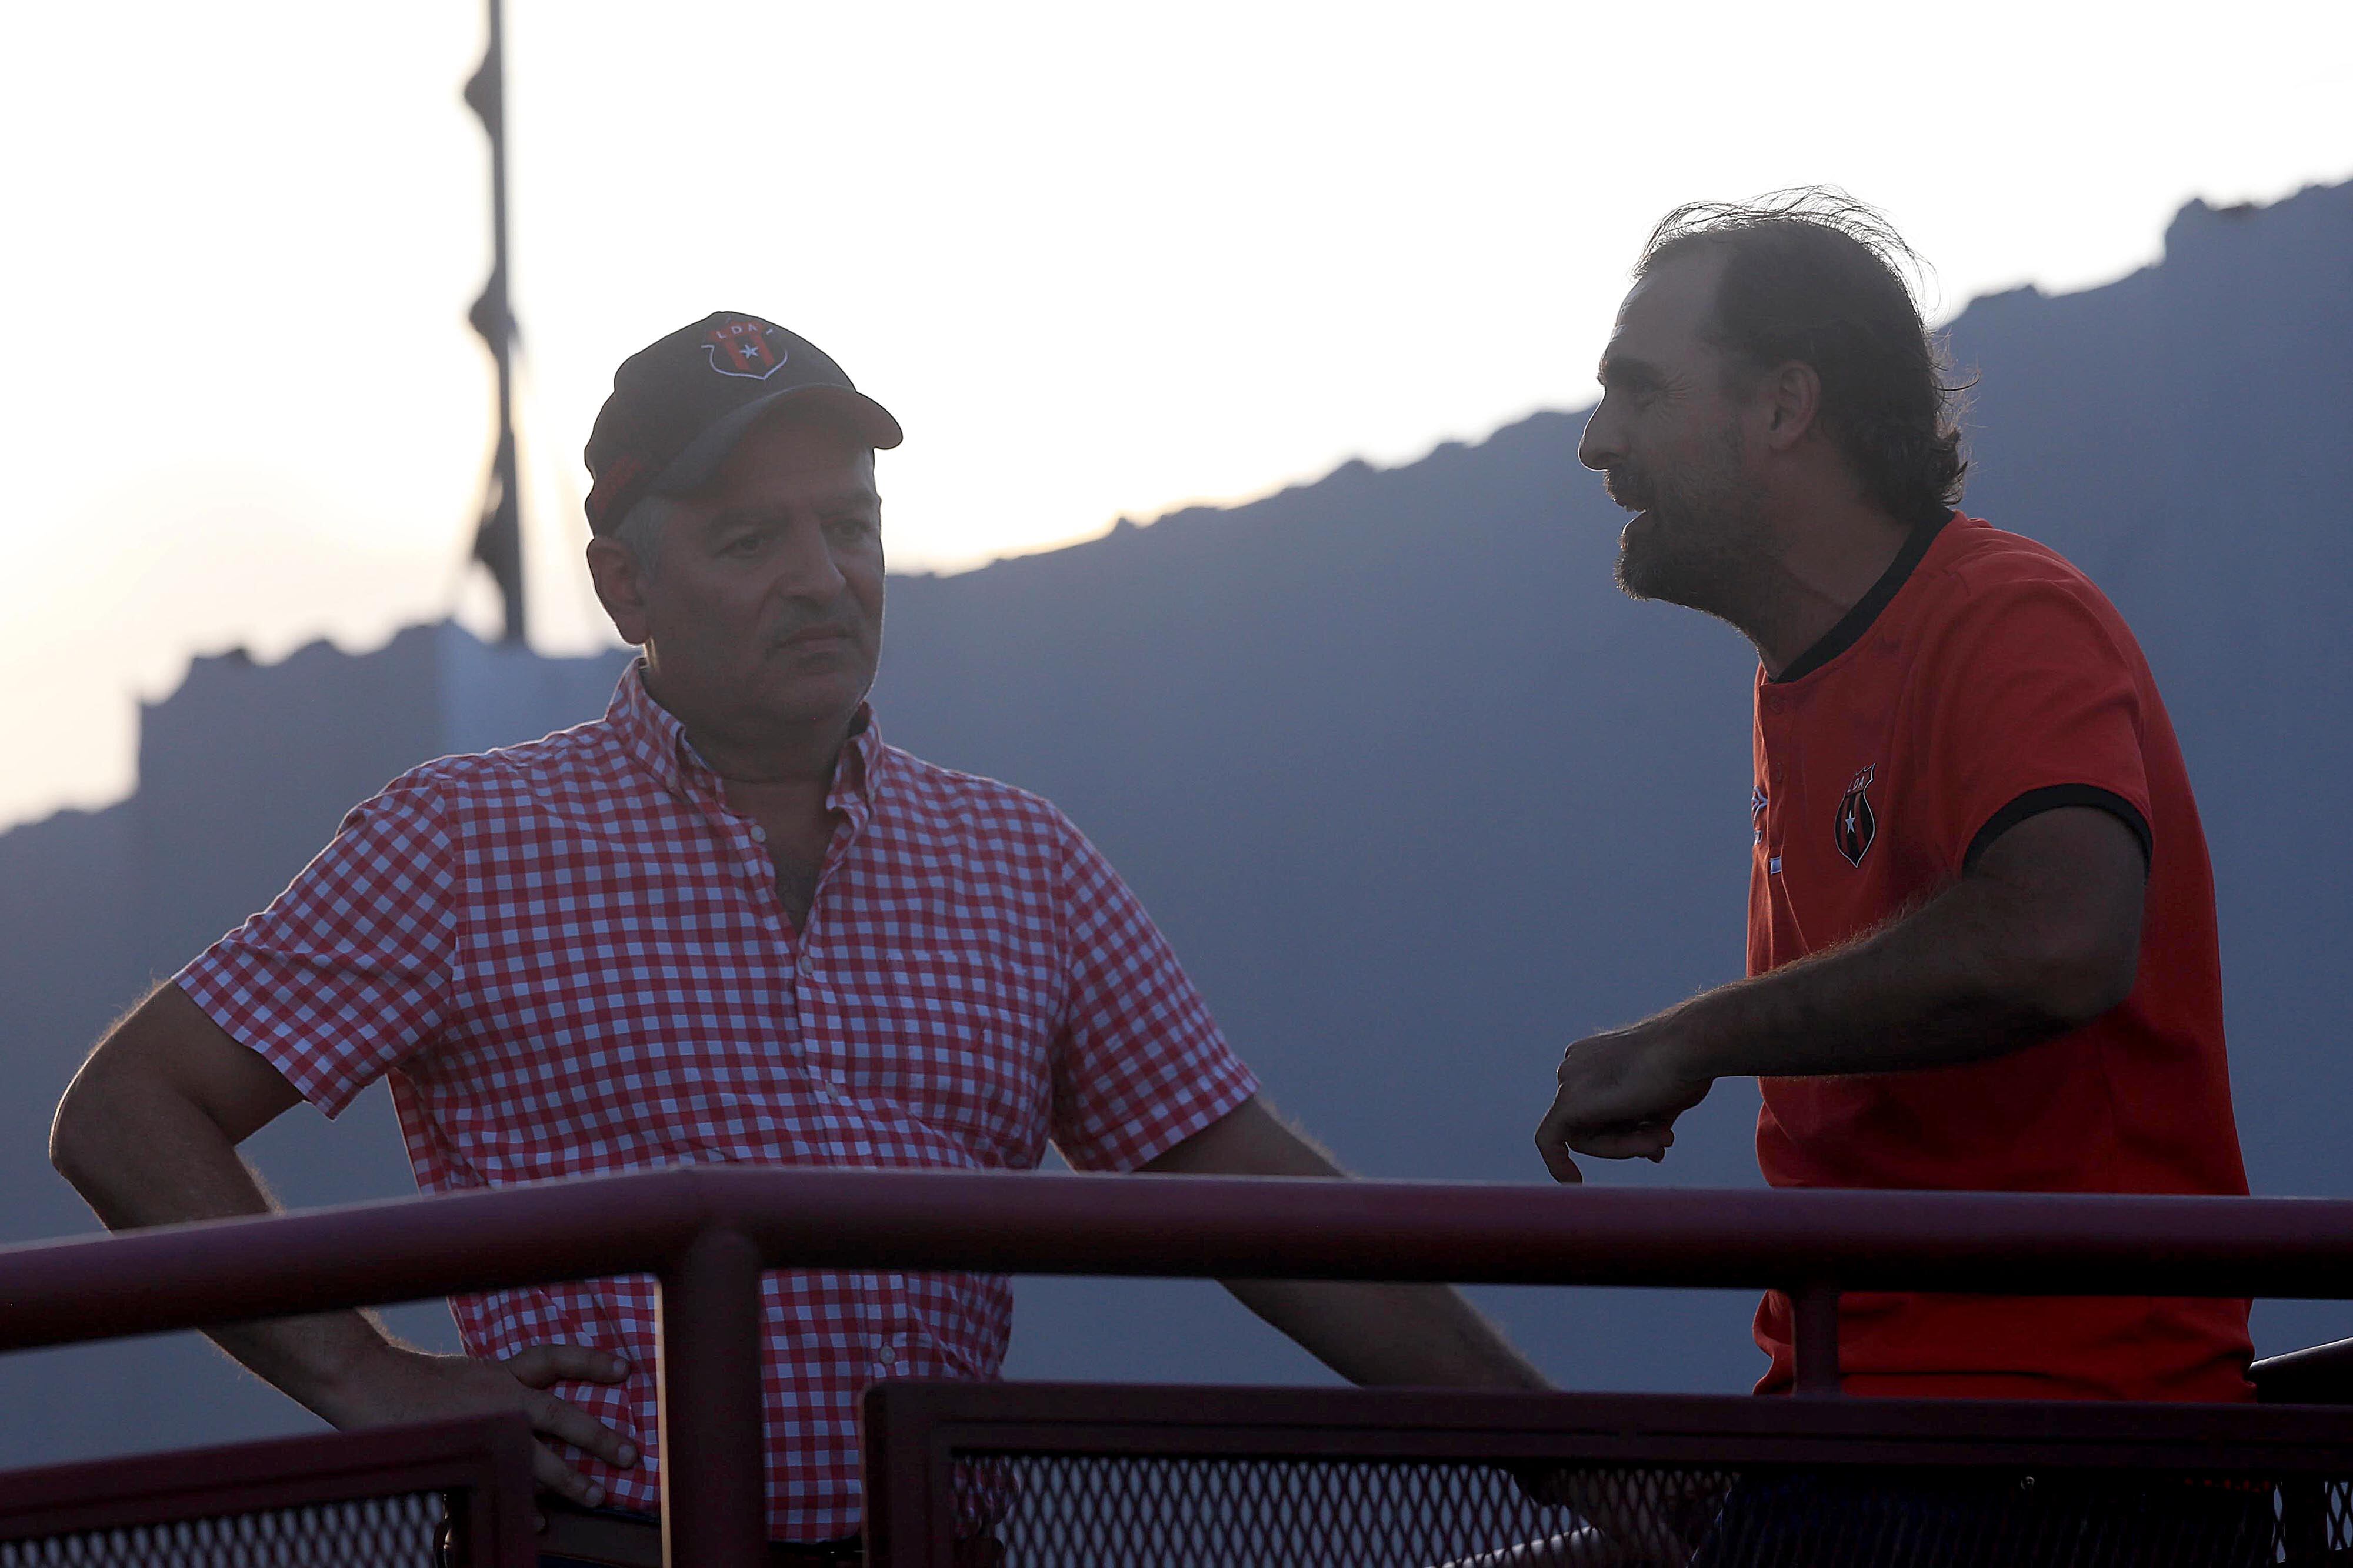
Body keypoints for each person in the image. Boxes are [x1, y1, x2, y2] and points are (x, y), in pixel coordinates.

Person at [52, 312, 1548, 1559]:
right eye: (751, 536)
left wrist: (1579, 1459)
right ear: (623, 583)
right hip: (597, 1550)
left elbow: (1258, 1201)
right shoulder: (461, 838)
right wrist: (359, 1371)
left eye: (850, 526)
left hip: (934, 1545)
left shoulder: (1021, 862)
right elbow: (126, 1107)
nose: (823, 577)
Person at [1533, 192, 2263, 1556]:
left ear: (1782, 406)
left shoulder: (2001, 618)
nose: (1596, 442)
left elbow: (2060, 938)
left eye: (1636, 389)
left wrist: (1696, 1038)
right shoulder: (1795, 683)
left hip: (2037, 1466)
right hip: (1884, 1444)